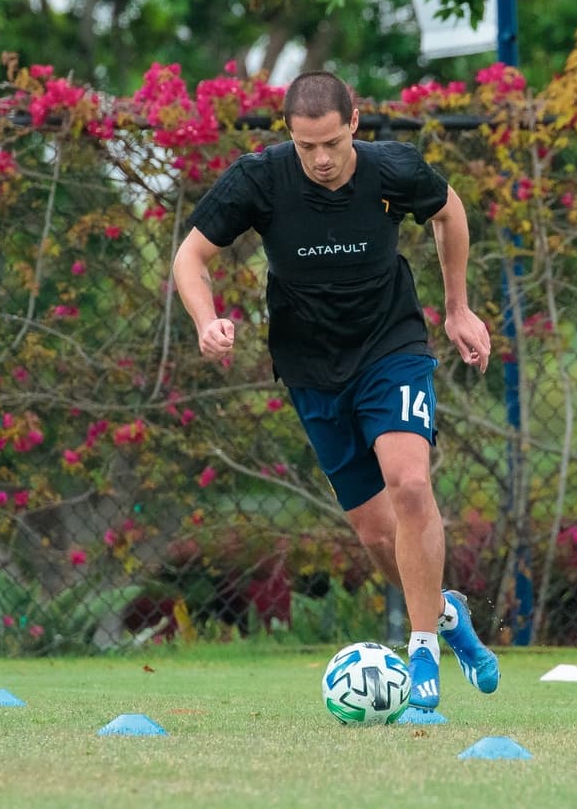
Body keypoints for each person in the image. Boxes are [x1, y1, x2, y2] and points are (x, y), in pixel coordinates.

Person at [171, 69, 498, 711]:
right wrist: (206, 320)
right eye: (305, 146)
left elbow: (449, 212)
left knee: (410, 484)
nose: (320, 160)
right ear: (288, 136)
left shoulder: (392, 169)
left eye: (331, 143)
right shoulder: (259, 178)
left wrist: (457, 308)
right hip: (311, 368)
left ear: (354, 124)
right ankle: (449, 615)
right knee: (378, 537)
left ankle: (423, 648)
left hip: (391, 348)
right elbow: (190, 257)